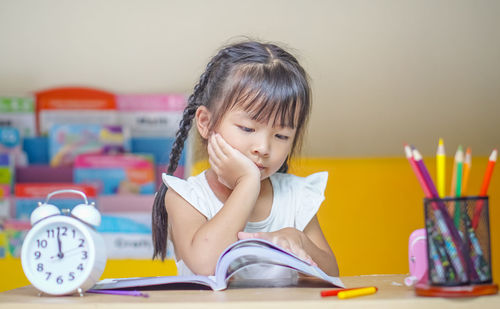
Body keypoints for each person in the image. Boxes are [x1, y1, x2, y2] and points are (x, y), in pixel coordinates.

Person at [152, 40, 339, 278]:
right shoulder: (187, 197)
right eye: (248, 129)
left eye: (281, 135)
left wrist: (299, 239)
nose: (263, 147)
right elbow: (206, 264)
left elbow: (333, 274)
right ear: (206, 123)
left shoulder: (296, 196)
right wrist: (247, 184)